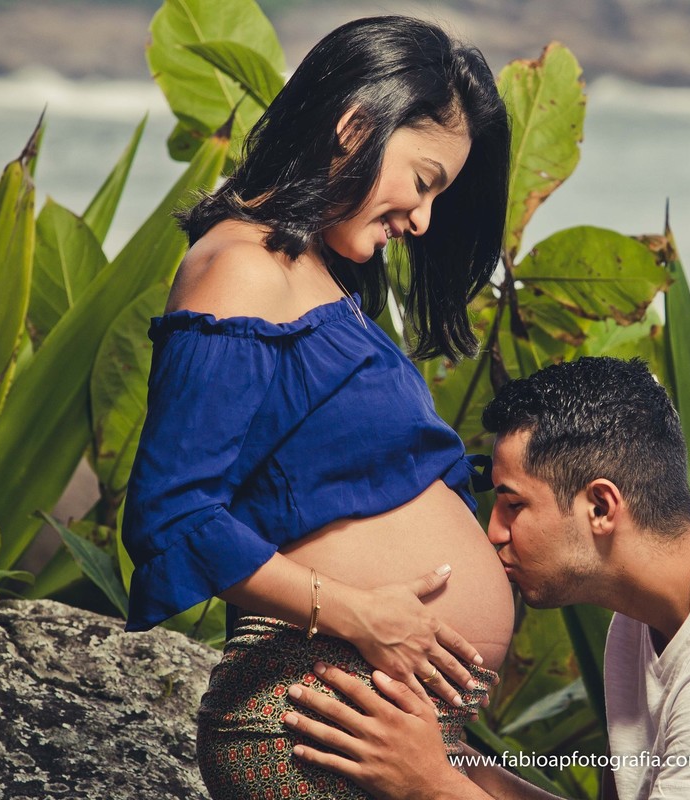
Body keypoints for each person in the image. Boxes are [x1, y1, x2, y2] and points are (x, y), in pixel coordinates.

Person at [120, 16, 515, 800]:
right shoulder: (243, 268)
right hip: (310, 717)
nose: (424, 220)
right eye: (425, 181)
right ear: (355, 126)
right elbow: (173, 514)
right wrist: (361, 615)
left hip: (369, 720)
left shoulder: (313, 273)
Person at [280, 357, 690, 799]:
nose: (494, 532)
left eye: (513, 504)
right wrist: (459, 766)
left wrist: (433, 787)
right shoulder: (640, 623)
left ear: (601, 506)